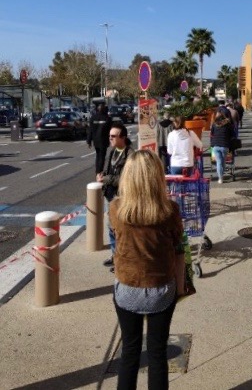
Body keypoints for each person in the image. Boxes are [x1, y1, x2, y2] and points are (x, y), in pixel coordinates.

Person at [109, 150, 185, 390]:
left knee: (129, 353)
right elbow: (178, 247)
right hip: (161, 289)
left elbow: (115, 241)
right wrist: (181, 284)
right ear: (157, 177)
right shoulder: (169, 210)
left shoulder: (116, 209)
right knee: (157, 353)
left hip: (127, 288)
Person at [97, 122, 134, 270]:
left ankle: (123, 260)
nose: (110, 138)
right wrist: (102, 175)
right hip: (110, 195)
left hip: (122, 197)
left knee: (122, 229)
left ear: (122, 137)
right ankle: (115, 256)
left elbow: (127, 179)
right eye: (109, 136)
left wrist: (106, 179)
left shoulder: (130, 154)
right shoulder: (112, 151)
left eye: (113, 136)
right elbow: (109, 170)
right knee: (111, 227)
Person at [210, 110, 235, 184]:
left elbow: (212, 134)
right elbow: (232, 134)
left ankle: (220, 178)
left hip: (215, 145)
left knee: (219, 162)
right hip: (225, 145)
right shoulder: (228, 124)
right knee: (222, 161)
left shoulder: (214, 124)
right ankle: (221, 176)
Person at [87, 103, 112, 174]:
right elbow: (110, 130)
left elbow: (90, 130)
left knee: (98, 155)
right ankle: (99, 171)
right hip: (104, 140)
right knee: (102, 156)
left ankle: (97, 169)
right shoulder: (107, 118)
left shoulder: (93, 118)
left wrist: (89, 141)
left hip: (96, 140)